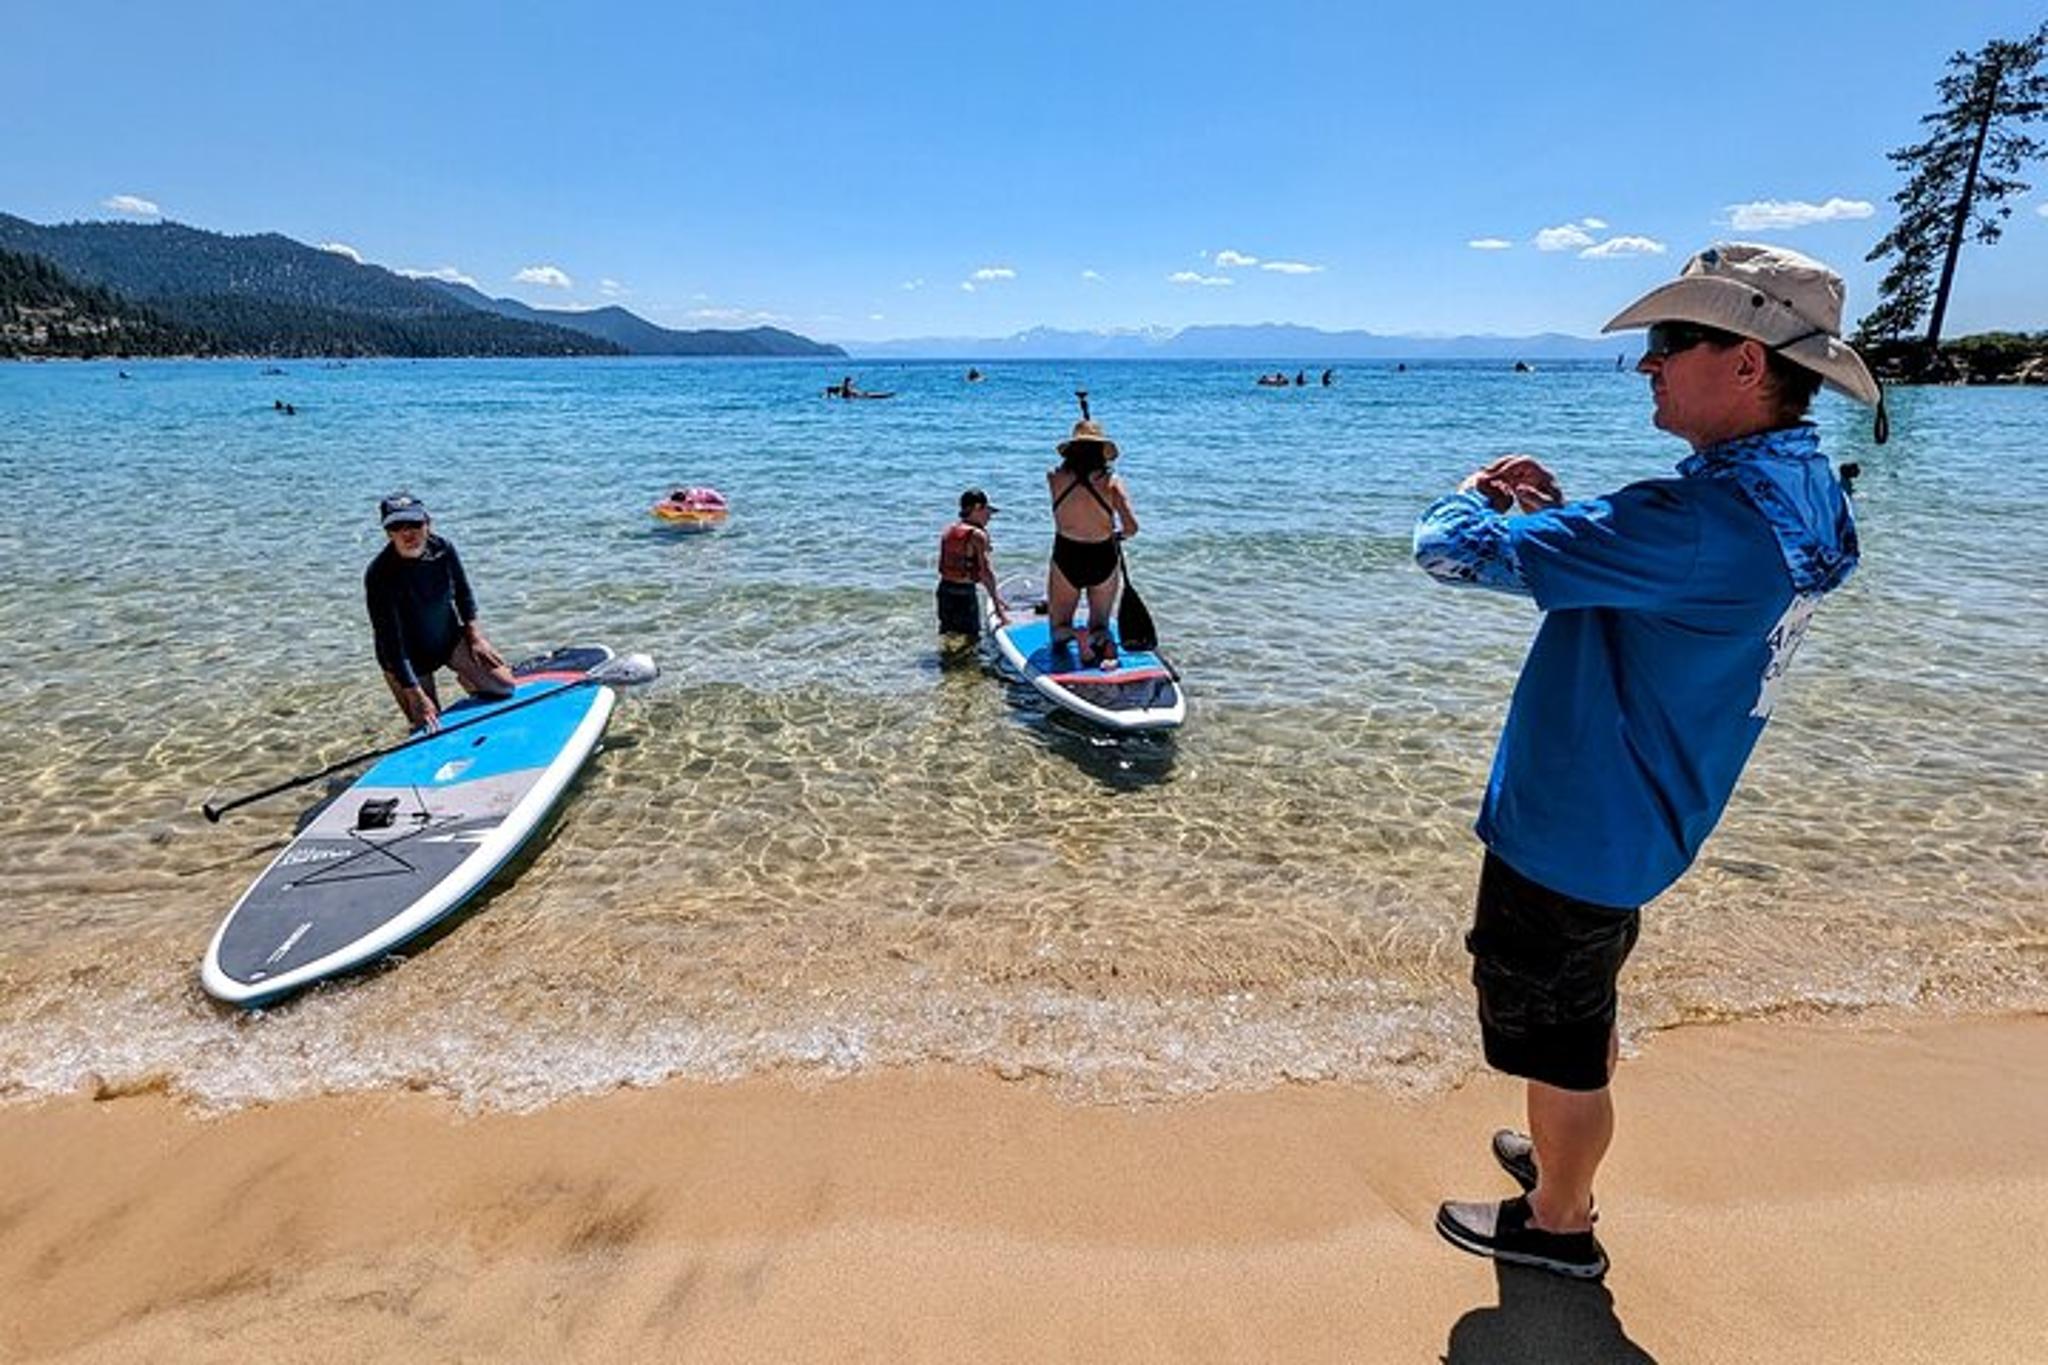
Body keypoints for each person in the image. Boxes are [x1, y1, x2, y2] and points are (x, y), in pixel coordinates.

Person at [1412, 243, 1879, 1280]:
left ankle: (1558, 1219)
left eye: (1671, 340)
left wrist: (1471, 492)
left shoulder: (1696, 524)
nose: (1648, 363)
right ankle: (1560, 1147)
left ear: (1748, 362)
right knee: (1580, 1008)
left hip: (1575, 825)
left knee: (1561, 1036)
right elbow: (1686, 585)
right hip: (1649, 808)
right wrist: (1579, 533)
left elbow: (1445, 550)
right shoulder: (1801, 495)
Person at [364, 492, 517, 732]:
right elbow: (390, 642)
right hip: (406, 657)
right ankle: (417, 708)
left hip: (447, 640)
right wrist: (413, 691)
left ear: (428, 523)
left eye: (414, 524)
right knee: (428, 727)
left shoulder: (443, 549)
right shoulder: (379, 575)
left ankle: (470, 681)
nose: (407, 533)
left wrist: (476, 638)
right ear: (388, 533)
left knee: (505, 687)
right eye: (397, 526)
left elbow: (463, 594)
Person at [1046, 417, 1139, 668]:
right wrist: (1118, 535)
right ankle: (1102, 643)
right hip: (1103, 554)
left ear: (1071, 449)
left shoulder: (1054, 477)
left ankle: (1076, 635)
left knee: (1057, 628)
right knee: (1101, 624)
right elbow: (1132, 527)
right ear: (1102, 451)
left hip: (1067, 553)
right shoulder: (1113, 483)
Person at [936, 488, 1008, 638]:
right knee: (971, 640)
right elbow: (985, 573)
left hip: (944, 591)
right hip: (964, 595)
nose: (989, 517)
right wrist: (998, 609)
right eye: (987, 512)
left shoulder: (949, 530)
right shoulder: (977, 535)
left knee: (948, 635)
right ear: (977, 508)